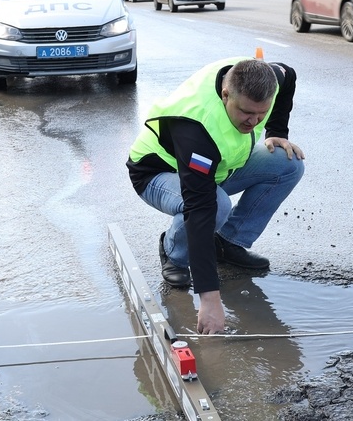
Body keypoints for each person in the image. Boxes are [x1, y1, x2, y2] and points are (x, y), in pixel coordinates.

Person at [126, 56, 305, 334]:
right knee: (215, 205)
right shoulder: (195, 126)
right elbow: (200, 208)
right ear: (225, 95)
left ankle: (227, 243)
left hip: (221, 166)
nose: (254, 120)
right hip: (158, 172)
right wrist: (209, 300)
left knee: (288, 164)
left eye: (261, 113)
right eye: (246, 112)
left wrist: (276, 131)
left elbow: (289, 74)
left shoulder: (271, 78)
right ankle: (174, 254)